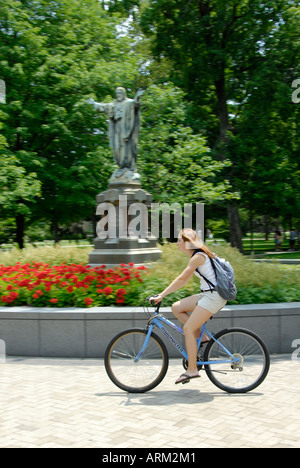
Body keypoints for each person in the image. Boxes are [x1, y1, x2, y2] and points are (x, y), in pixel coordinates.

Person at [150, 228, 227, 385]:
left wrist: (161, 295)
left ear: (187, 243)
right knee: (176, 307)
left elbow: (182, 279)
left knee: (188, 329)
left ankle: (192, 370)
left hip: (213, 297)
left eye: (179, 240)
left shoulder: (198, 257)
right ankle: (202, 337)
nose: (177, 243)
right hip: (208, 295)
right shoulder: (198, 255)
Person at [88, 87, 144, 175]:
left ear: (123, 93)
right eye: (117, 93)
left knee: (125, 147)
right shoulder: (114, 104)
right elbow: (104, 107)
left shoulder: (128, 102)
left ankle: (127, 166)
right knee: (116, 148)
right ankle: (121, 166)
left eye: (119, 93)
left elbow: (135, 104)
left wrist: (137, 97)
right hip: (116, 128)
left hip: (126, 130)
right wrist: (94, 103)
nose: (118, 95)